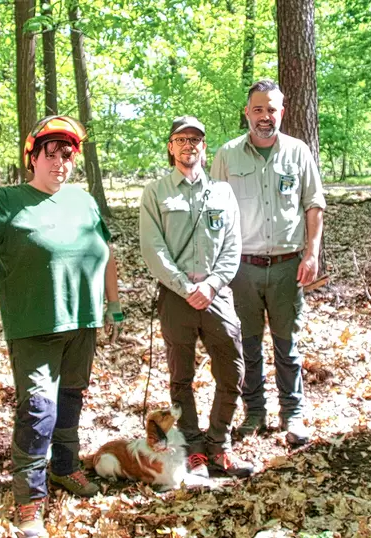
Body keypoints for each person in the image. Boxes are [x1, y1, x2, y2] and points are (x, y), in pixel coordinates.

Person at [0, 116, 123, 537]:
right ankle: (29, 499)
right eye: (51, 153)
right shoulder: (6, 200)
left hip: (82, 321)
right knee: (38, 409)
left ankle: (64, 467)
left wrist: (113, 306)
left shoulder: (84, 201)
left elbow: (107, 252)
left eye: (67, 154)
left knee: (71, 398)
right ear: (32, 158)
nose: (59, 162)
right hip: (33, 324)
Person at [210, 80, 325, 446]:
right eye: (258, 109)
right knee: (248, 344)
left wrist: (312, 253)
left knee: (286, 344)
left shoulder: (298, 151)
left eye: (272, 109)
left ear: (282, 112)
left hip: (288, 264)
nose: (265, 116)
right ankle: (254, 412)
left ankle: (292, 414)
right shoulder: (227, 155)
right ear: (247, 112)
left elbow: (314, 204)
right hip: (240, 266)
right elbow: (213, 213)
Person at [139, 116, 254, 478]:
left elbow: (233, 246)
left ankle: (219, 443)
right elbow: (153, 248)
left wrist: (212, 284)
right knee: (180, 376)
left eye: (197, 140)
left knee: (232, 369)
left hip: (216, 295)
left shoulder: (221, 192)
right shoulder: (156, 193)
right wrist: (186, 287)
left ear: (205, 148)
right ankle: (192, 449)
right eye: (181, 139)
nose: (190, 145)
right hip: (176, 298)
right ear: (171, 147)